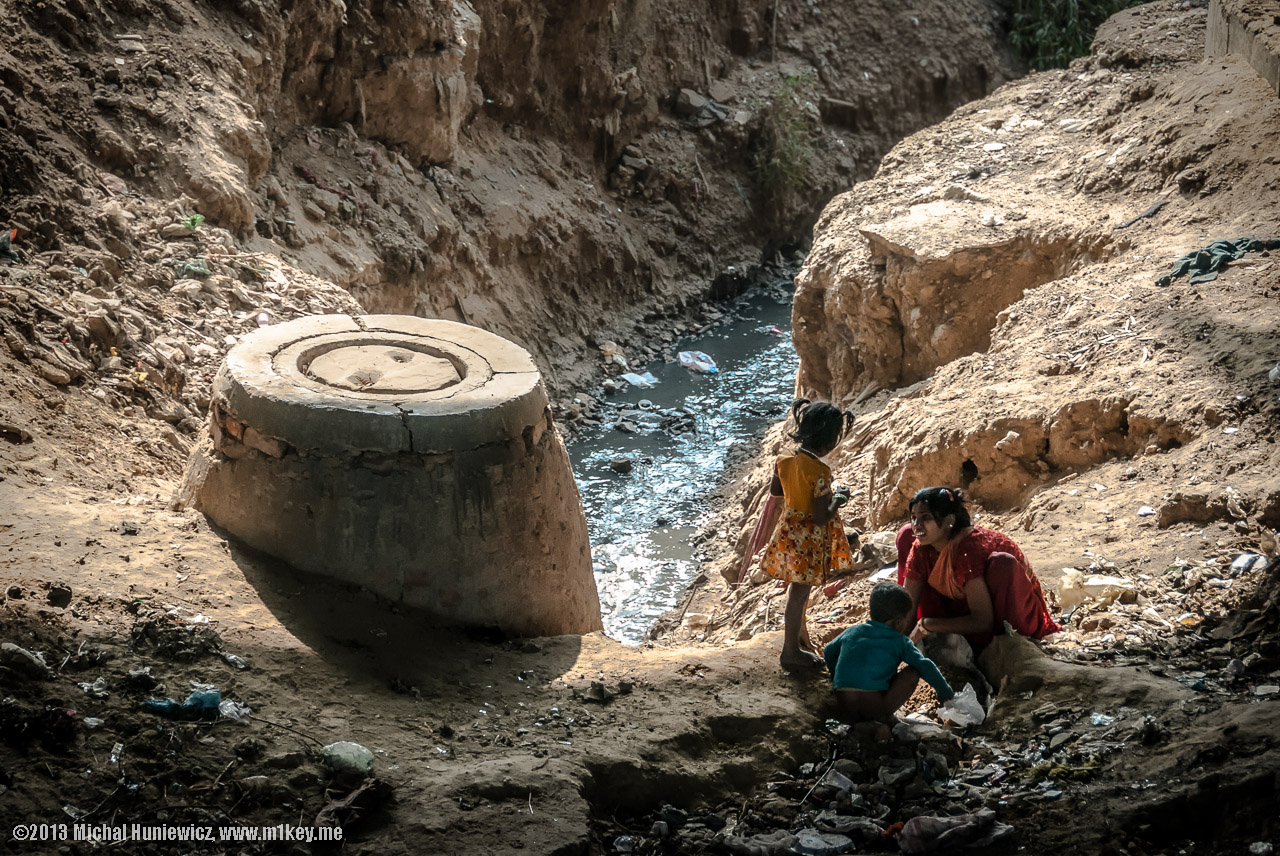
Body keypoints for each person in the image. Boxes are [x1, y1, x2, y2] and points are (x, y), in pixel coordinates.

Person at [756, 399, 856, 668]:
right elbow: (822, 516)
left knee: (797, 591)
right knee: (800, 594)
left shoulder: (784, 459)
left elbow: (776, 493)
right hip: (809, 539)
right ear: (829, 440)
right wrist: (841, 497)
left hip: (789, 532)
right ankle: (790, 652)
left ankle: (800, 640)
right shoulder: (820, 472)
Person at [903, 487, 1061, 650]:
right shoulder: (921, 548)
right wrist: (895, 640)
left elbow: (982, 620)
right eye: (913, 518)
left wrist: (926, 624)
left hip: (1014, 614)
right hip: (967, 611)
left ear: (949, 521)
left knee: (1002, 562)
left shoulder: (968, 547)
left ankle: (995, 644)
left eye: (925, 517)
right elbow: (907, 607)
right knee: (904, 535)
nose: (916, 525)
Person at [824, 582, 954, 740]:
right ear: (898, 622)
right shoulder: (900, 641)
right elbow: (925, 665)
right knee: (913, 672)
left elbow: (828, 651)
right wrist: (944, 692)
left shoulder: (852, 632)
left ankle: (855, 725)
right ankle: (879, 721)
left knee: (858, 702)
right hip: (875, 705)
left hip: (844, 702)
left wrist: (835, 678)